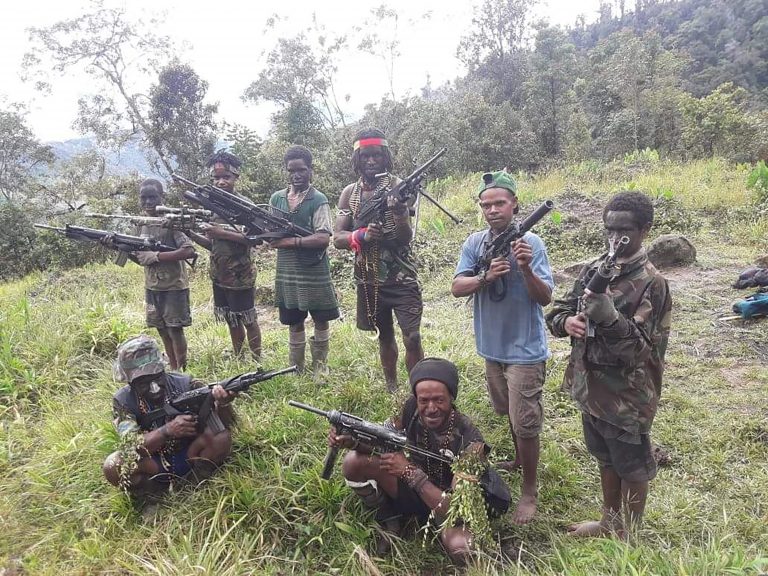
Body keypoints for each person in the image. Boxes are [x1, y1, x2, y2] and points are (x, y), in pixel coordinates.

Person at [545, 191, 672, 539]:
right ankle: (609, 520)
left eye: (625, 230)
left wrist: (610, 316)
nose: (616, 238)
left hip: (627, 396)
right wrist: (566, 322)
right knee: (604, 457)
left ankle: (628, 533)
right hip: (591, 389)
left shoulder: (651, 282)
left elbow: (640, 350)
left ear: (645, 229)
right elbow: (557, 310)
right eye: (610, 229)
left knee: (631, 466)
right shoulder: (594, 268)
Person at [330, 357, 510, 564]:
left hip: (450, 505)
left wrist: (409, 472)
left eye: (439, 400)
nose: (431, 408)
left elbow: (453, 509)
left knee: (462, 548)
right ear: (416, 398)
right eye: (423, 400)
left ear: (451, 397)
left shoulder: (472, 444)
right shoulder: (407, 408)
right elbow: (382, 440)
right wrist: (353, 442)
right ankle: (390, 517)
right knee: (353, 462)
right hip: (417, 488)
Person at [450, 171, 553, 525]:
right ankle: (520, 461)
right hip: (490, 347)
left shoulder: (532, 244)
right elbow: (456, 287)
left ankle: (529, 491)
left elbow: (545, 298)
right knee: (509, 411)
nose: (492, 210)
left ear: (514, 205)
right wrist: (485, 277)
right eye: (486, 204)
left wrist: (524, 269)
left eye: (500, 203)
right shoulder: (475, 243)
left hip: (524, 349)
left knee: (525, 422)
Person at [334, 128, 423, 392]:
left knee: (413, 336)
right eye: (365, 156)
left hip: (402, 277)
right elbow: (338, 237)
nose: (371, 161)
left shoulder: (399, 187)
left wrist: (398, 213)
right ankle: (392, 387)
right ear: (357, 160)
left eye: (376, 156)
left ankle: (419, 386)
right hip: (369, 278)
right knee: (384, 336)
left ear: (386, 157)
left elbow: (405, 237)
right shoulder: (349, 193)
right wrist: (361, 235)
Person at [102, 335, 234, 496]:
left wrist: (223, 403)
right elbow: (130, 446)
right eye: (143, 383)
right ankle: (152, 495)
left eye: (157, 377)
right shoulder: (123, 401)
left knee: (222, 438)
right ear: (130, 382)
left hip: (191, 452)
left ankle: (194, 482)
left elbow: (223, 424)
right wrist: (167, 431)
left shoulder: (186, 384)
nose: (154, 388)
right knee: (113, 466)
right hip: (153, 462)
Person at [267, 145, 339, 380]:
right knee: (293, 320)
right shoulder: (276, 198)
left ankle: (320, 368)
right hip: (287, 271)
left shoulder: (318, 199)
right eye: (292, 171)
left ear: (310, 170)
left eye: (301, 170)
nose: (296, 175)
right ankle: (295, 369)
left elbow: (323, 237)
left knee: (320, 318)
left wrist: (290, 242)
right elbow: (270, 231)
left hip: (314, 268)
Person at [187, 151, 262, 360]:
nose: (221, 182)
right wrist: (190, 234)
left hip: (240, 274)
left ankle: (257, 360)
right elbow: (213, 245)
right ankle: (239, 357)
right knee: (231, 318)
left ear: (236, 177)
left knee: (248, 318)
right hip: (219, 273)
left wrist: (222, 232)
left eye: (226, 177)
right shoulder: (211, 206)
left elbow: (255, 240)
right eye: (216, 178)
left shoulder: (246, 206)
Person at [132, 178, 196, 371]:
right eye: (144, 198)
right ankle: (172, 366)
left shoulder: (171, 220)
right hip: (152, 286)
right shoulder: (140, 223)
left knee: (175, 330)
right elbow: (140, 257)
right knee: (161, 329)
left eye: (153, 197)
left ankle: (181, 371)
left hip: (173, 286)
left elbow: (189, 251)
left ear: (162, 197)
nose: (148, 202)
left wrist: (157, 256)